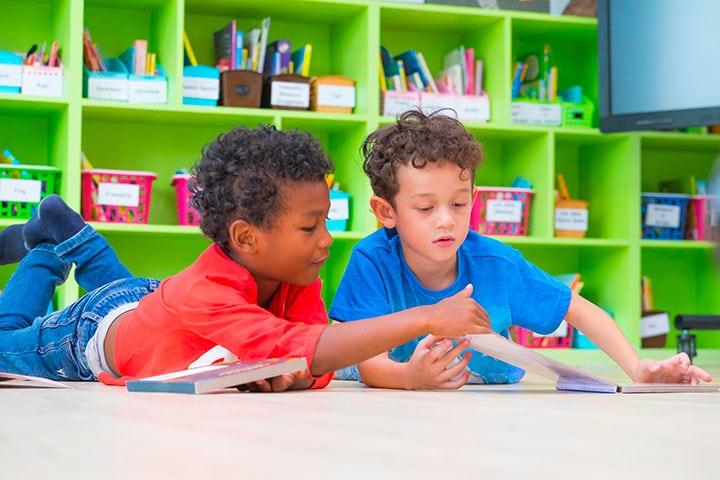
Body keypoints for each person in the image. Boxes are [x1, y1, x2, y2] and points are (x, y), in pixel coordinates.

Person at [0, 124, 490, 392]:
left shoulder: (296, 269)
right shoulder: (206, 293)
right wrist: (426, 316)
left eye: (325, 222)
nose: (326, 240)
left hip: (156, 310)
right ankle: (50, 247)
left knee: (142, 311)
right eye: (309, 226)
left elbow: (308, 358)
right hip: (89, 334)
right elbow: (311, 345)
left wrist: (290, 378)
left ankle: (77, 240)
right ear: (247, 237)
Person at [329, 110, 712, 389]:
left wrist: (638, 368)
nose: (446, 220)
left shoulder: (496, 263)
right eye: (426, 208)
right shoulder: (372, 260)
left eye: (459, 204)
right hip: (395, 396)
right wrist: (410, 378)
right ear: (386, 212)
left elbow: (582, 311)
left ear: (473, 199)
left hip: (488, 399)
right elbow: (367, 363)